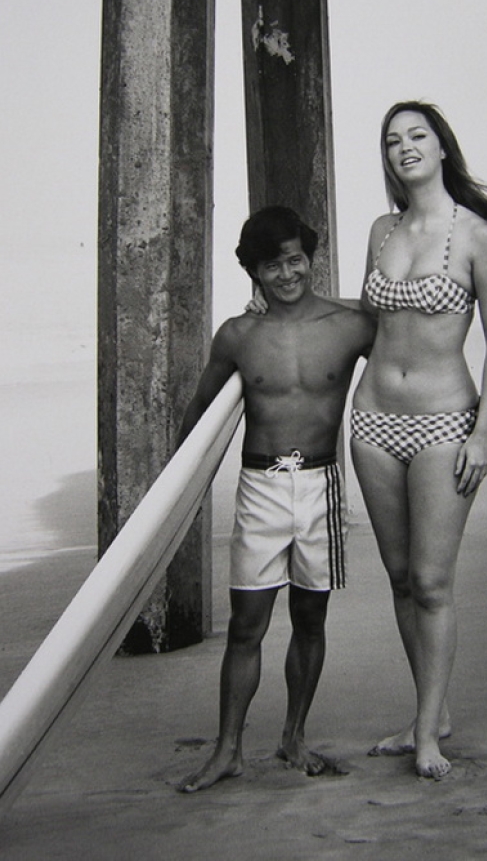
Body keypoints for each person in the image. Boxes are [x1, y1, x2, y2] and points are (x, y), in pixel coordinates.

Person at [175, 206, 374, 792]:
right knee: (247, 625)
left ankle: (294, 737)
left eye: (295, 258)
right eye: (272, 265)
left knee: (310, 620)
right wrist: (176, 491)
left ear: (309, 256)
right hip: (260, 486)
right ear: (254, 273)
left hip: (322, 485)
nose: (288, 273)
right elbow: (200, 414)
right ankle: (227, 750)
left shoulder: (352, 323)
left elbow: (409, 360)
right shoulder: (239, 336)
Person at [351, 100, 487, 780]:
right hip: (371, 423)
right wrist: (284, 317)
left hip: (446, 423)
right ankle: (429, 712)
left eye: (417, 136)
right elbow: (364, 324)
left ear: (441, 148)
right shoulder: (380, 230)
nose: (404, 147)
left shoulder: (474, 235)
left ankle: (427, 738)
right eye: (392, 140)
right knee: (396, 577)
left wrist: (484, 434)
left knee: (431, 580)